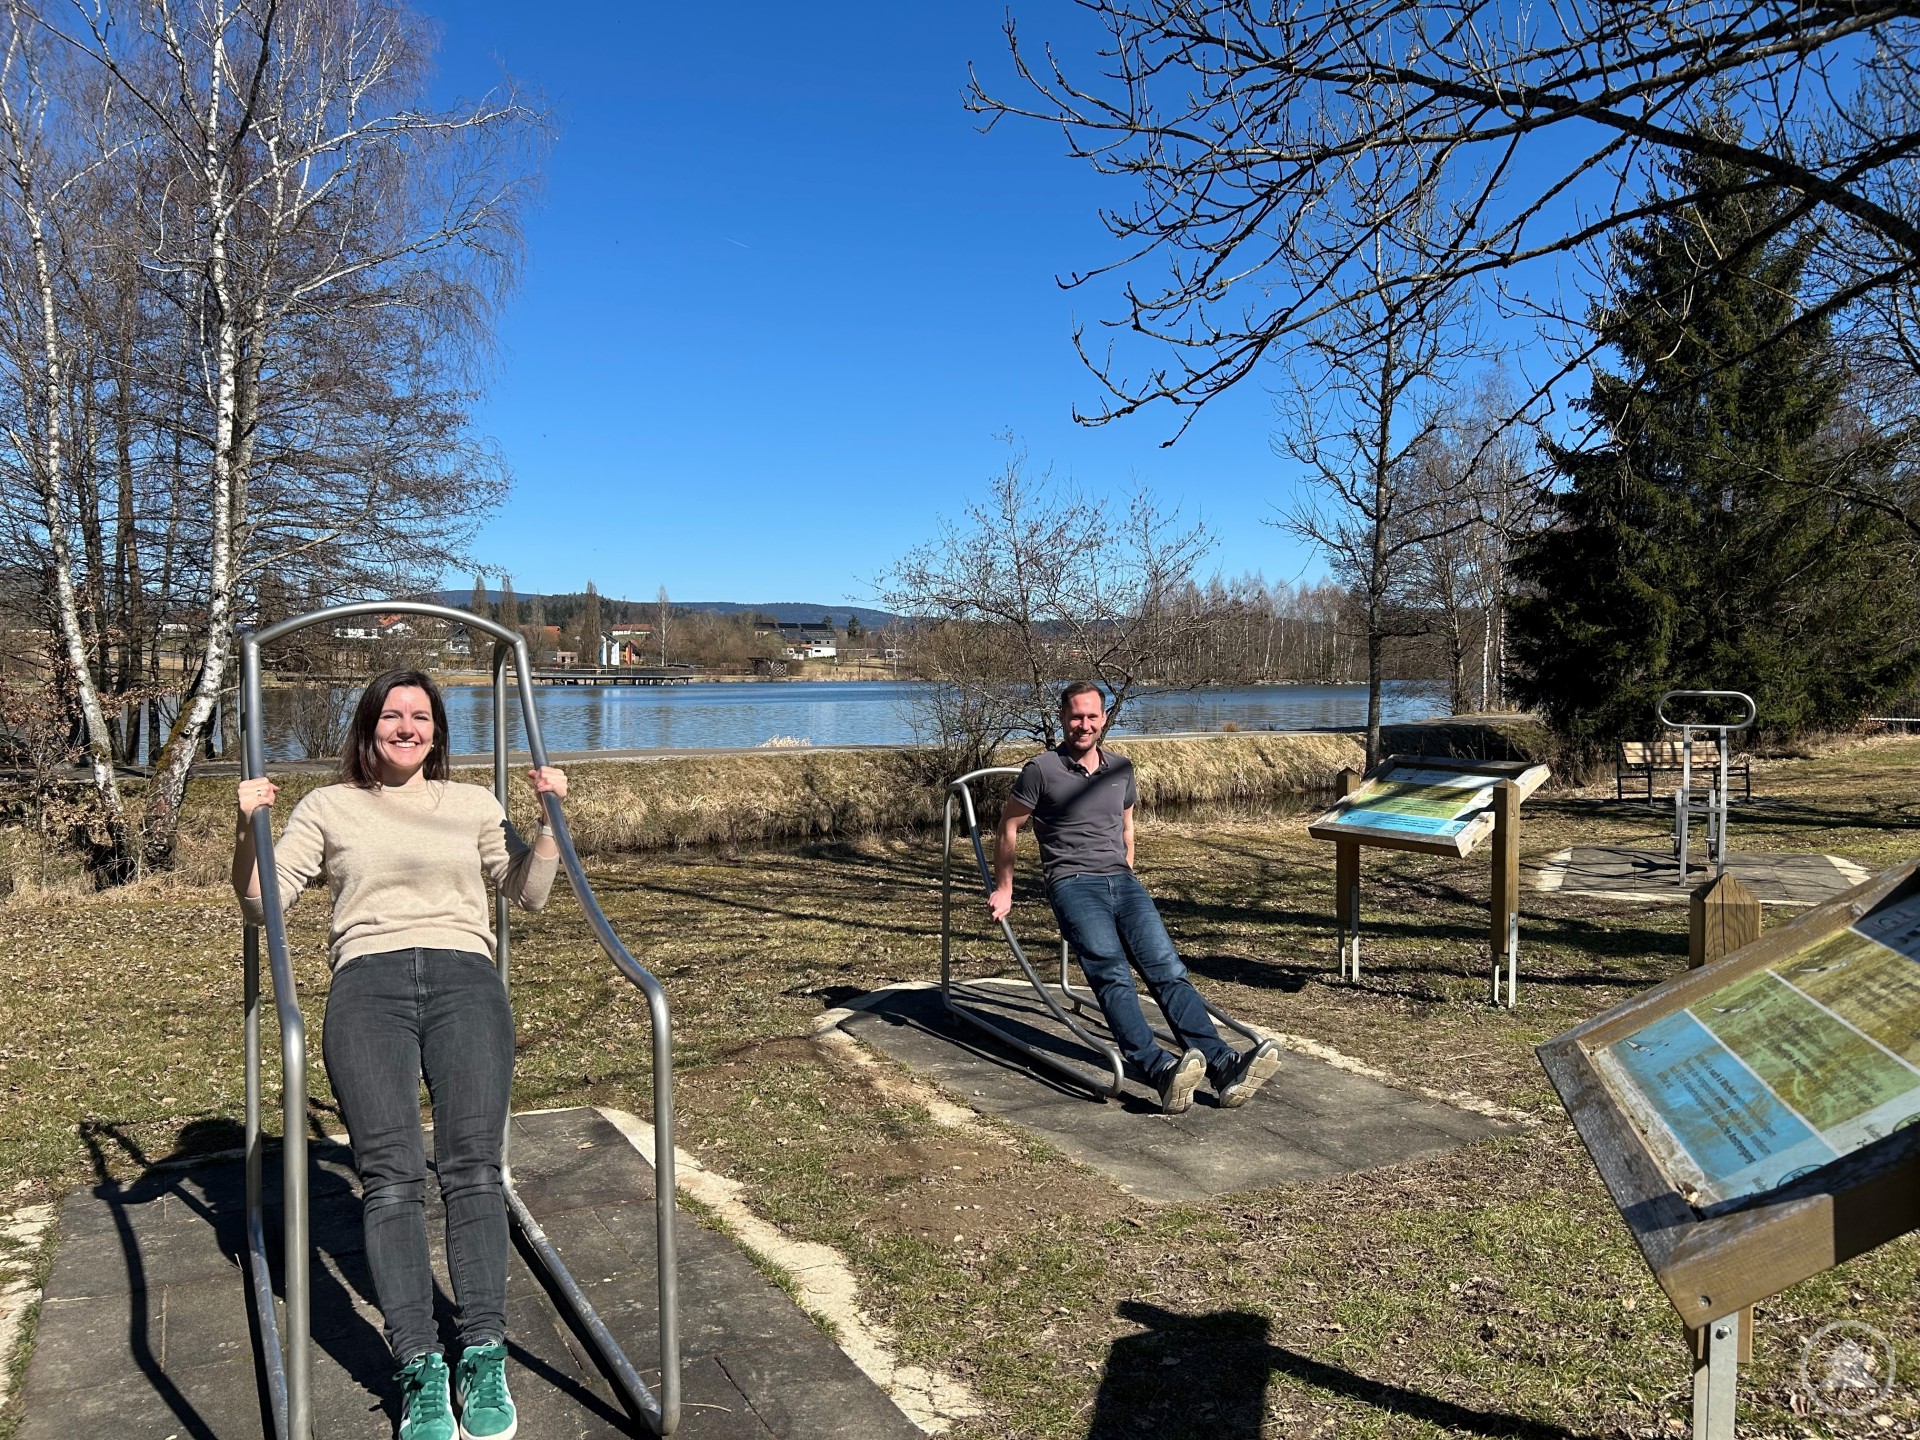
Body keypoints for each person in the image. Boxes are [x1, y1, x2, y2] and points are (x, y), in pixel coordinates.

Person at [234, 668, 565, 1440]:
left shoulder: (473, 803)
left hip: (464, 981)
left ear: (439, 730)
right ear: (368, 727)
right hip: (368, 985)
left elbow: (528, 890)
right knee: (388, 1178)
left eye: (421, 716)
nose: (407, 727)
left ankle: (482, 1351)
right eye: (393, 715)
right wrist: (242, 827)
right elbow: (260, 904)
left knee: (474, 1167)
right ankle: (418, 1364)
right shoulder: (329, 806)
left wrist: (550, 819)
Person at [989, 681, 1281, 1114]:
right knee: (1111, 972)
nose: (1083, 724)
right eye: (1075, 716)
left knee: (1167, 968)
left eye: (1091, 716)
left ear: (1104, 719)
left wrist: (1127, 866)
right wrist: (1005, 888)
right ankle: (1158, 1070)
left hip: (1123, 883)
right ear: (1062, 719)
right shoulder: (1042, 770)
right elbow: (1008, 827)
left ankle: (1222, 1065)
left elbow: (1126, 824)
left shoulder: (1121, 769)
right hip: (1072, 883)